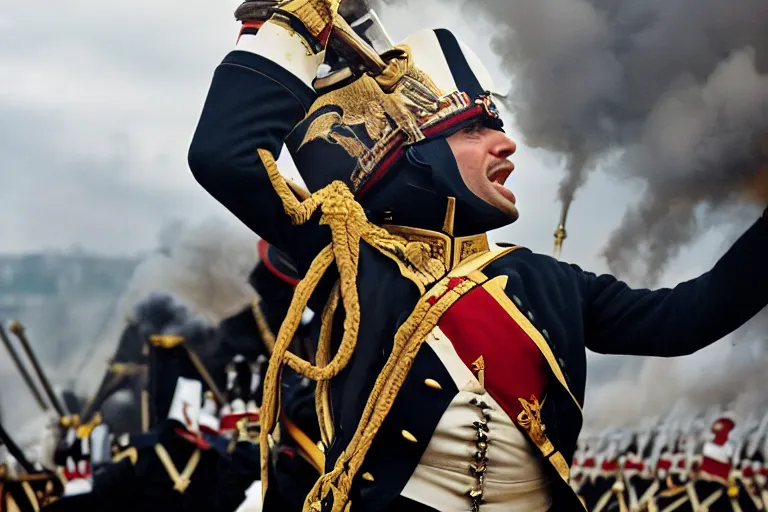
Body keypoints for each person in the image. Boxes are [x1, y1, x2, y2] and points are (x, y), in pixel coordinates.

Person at [188, 1, 768, 510]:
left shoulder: (547, 282)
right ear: (409, 151)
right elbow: (225, 156)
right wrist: (292, 26)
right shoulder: (347, 255)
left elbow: (686, 317)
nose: (506, 141)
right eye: (473, 130)